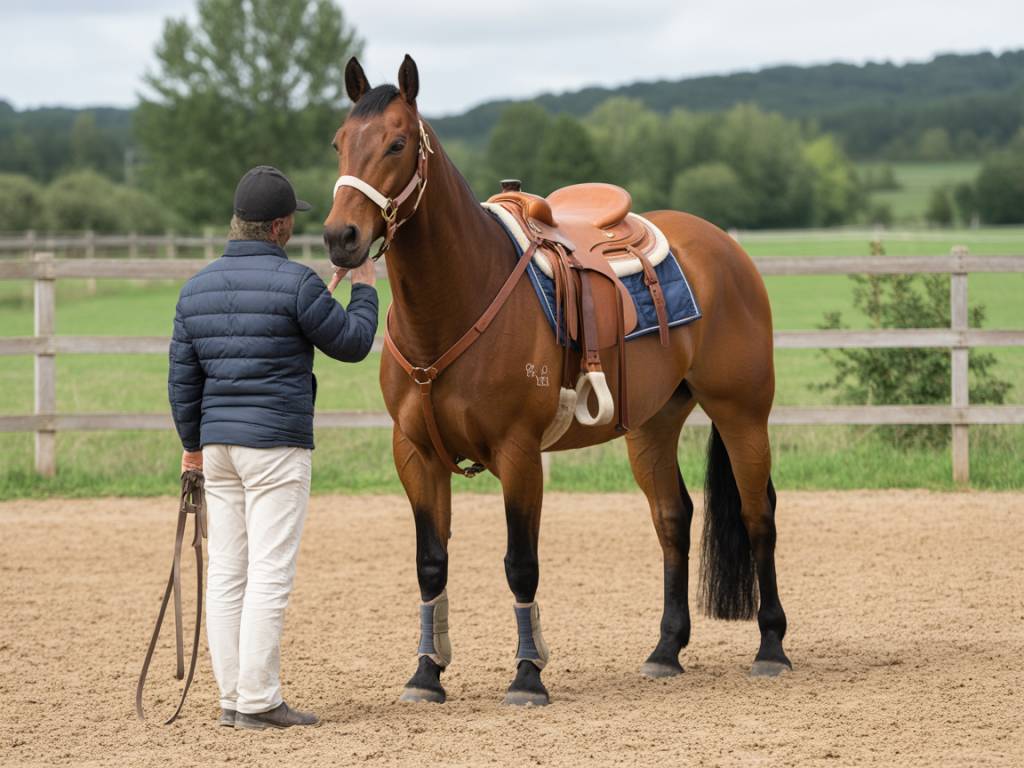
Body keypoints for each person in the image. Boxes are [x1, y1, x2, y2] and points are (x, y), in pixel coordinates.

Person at [168, 165, 378, 730]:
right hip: (276, 447)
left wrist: (192, 448)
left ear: (239, 224)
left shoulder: (196, 289)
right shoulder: (298, 283)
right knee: (269, 573)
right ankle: (259, 700)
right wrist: (365, 286)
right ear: (281, 227)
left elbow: (182, 381)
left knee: (229, 571)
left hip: (218, 448)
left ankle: (234, 698)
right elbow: (355, 343)